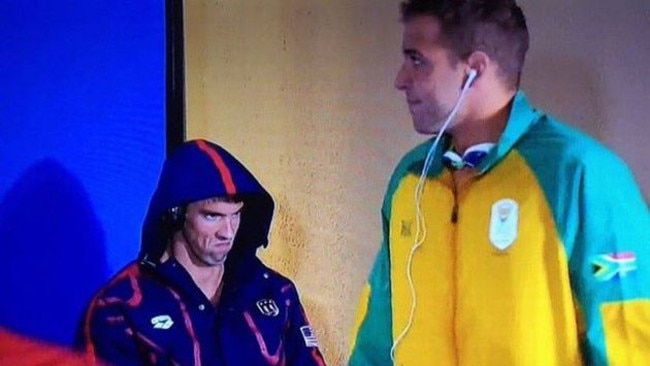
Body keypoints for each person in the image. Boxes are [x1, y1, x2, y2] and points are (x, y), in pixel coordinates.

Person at [349, 1, 650, 365]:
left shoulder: (580, 174)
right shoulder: (412, 178)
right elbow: (379, 330)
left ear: (474, 69)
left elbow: (629, 342)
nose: (400, 79)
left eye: (417, 60)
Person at [81, 139, 326, 366]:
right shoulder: (121, 306)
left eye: (236, 215)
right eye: (213, 216)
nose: (227, 233)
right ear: (176, 216)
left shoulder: (276, 291)